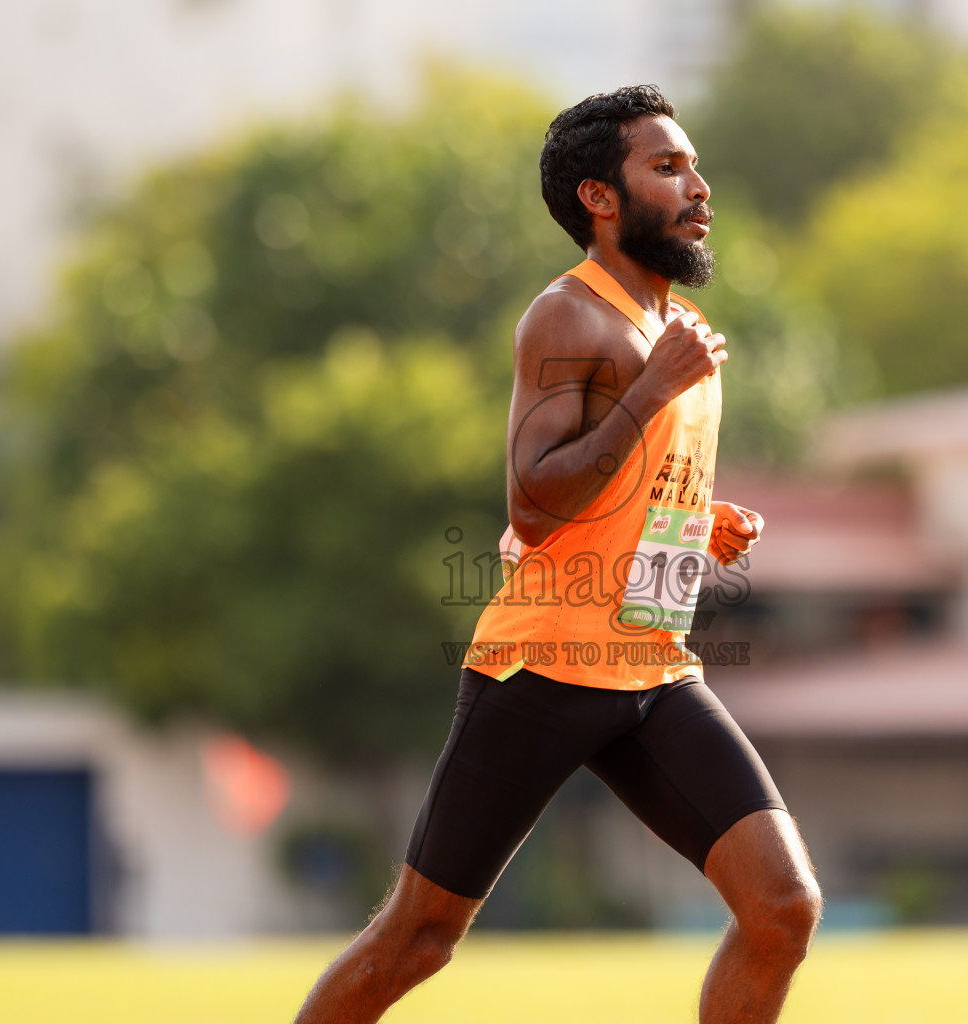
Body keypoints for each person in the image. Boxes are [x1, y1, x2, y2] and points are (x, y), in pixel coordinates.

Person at [294, 85, 820, 1024]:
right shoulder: (569, 319)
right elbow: (534, 507)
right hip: (542, 670)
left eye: (693, 164)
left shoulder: (676, 340)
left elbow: (614, 499)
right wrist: (650, 392)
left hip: (653, 668)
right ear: (599, 198)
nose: (699, 186)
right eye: (667, 167)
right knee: (418, 939)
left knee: (782, 908)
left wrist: (694, 527)